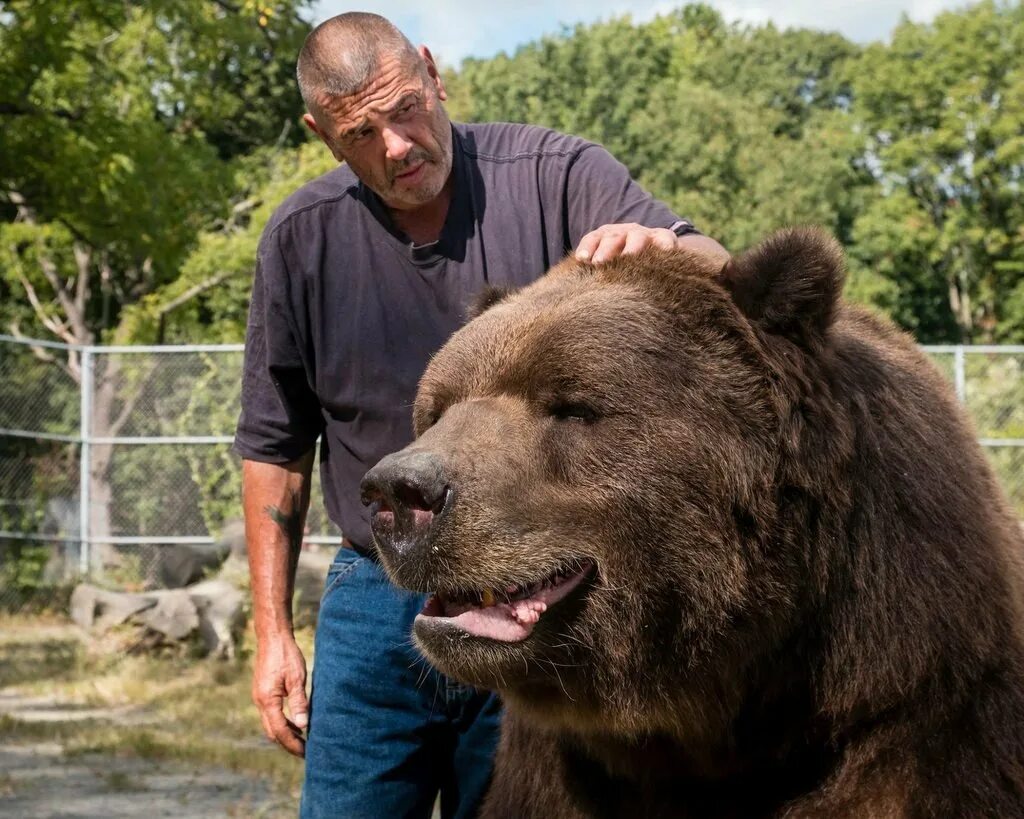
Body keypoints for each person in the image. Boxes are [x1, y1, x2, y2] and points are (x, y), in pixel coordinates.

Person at [234, 12, 729, 819]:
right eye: (363, 131)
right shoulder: (300, 240)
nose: (397, 144)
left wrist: (665, 246)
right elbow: (273, 445)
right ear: (323, 135)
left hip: (531, 584)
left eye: (404, 109)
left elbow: (717, 265)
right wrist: (273, 634)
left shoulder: (555, 173)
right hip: (376, 592)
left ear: (432, 73)